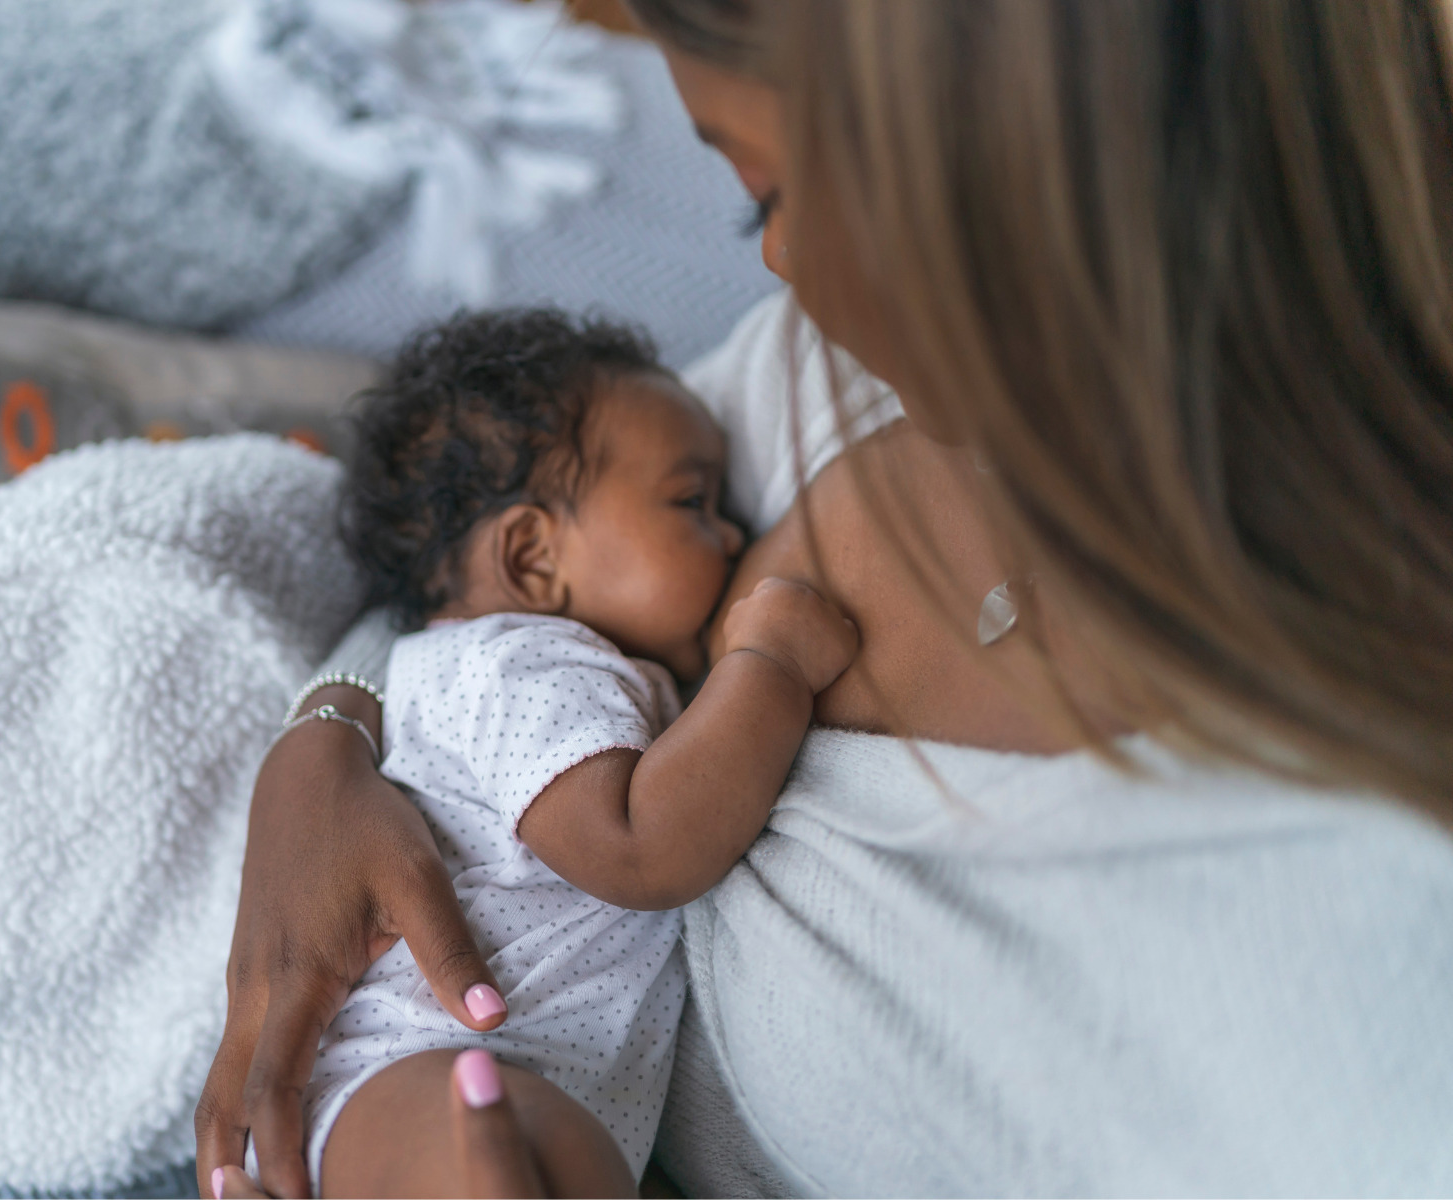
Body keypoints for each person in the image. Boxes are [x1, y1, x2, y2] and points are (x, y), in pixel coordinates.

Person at [200, 1, 1453, 1196]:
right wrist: (326, 742)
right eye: (756, 210)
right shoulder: (817, 383)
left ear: (1009, 124)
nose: (782, 266)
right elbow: (470, 579)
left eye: (778, 196)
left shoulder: (1355, 924)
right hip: (430, 1069)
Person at [276, 308, 853, 1196]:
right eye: (691, 502)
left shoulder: (518, 670)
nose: (733, 535)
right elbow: (638, 843)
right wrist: (770, 666)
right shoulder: (526, 663)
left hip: (485, 1080)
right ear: (534, 557)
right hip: (422, 1064)